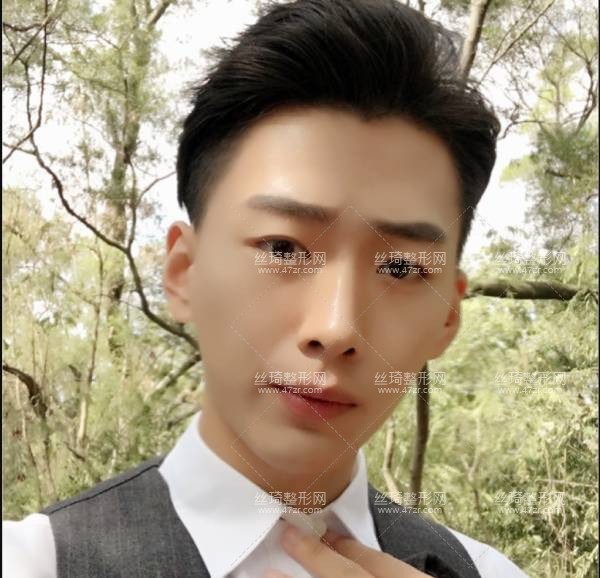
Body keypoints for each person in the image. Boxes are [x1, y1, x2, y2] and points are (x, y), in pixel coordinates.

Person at [3, 0, 531, 576]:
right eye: (282, 248)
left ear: (448, 317)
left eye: (401, 269)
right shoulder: (37, 562)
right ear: (184, 273)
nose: (336, 328)